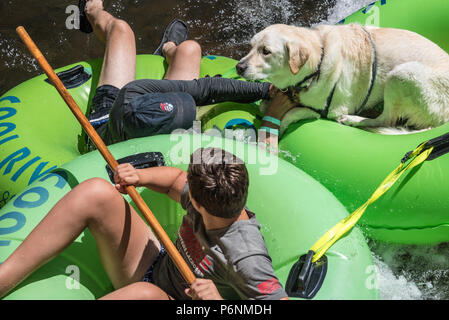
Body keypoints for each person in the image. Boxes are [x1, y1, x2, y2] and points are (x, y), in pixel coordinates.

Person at [0, 147, 289, 300]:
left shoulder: (247, 257)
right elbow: (176, 179)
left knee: (144, 295)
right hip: (156, 266)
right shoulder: (211, 200)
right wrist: (141, 176)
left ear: (199, 205)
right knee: (96, 191)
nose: (186, 185)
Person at [78, 0, 288, 151]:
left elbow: (206, 89)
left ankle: (166, 47)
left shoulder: (134, 91)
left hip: (126, 107)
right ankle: (94, 10)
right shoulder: (168, 149)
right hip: (106, 129)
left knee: (187, 48)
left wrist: (265, 90)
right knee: (128, 32)